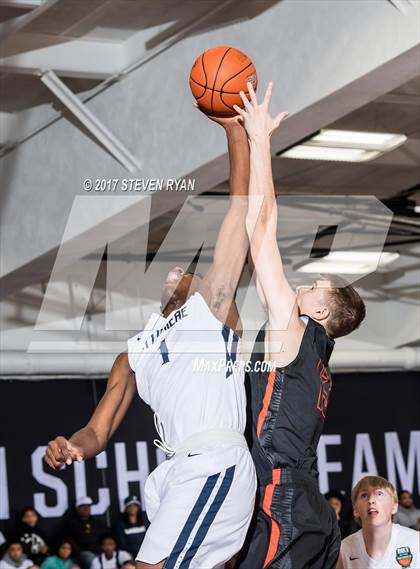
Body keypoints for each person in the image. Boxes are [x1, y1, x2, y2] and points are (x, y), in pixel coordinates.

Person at [44, 112, 257, 568]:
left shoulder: (212, 311)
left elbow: (240, 211)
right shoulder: (134, 351)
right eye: (171, 271)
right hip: (172, 473)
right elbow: (97, 432)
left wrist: (235, 132)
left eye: (187, 272)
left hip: (213, 460)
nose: (175, 274)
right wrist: (72, 447)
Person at [233, 82, 366, 569]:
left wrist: (259, 139)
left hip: (280, 502)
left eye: (314, 285)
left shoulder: (296, 329)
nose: (302, 286)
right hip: (311, 510)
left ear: (322, 312)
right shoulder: (321, 358)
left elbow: (260, 225)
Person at [337, 476, 419, 568]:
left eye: (379, 494)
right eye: (364, 495)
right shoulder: (344, 550)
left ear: (394, 507)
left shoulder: (416, 541)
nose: (371, 500)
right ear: (355, 510)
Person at [62, 498, 104, 569]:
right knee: (93, 560)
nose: (86, 509)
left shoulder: (95, 521)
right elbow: (82, 539)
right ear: (77, 508)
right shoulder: (72, 523)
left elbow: (105, 535)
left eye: (88, 506)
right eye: (83, 507)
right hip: (82, 552)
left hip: (99, 551)